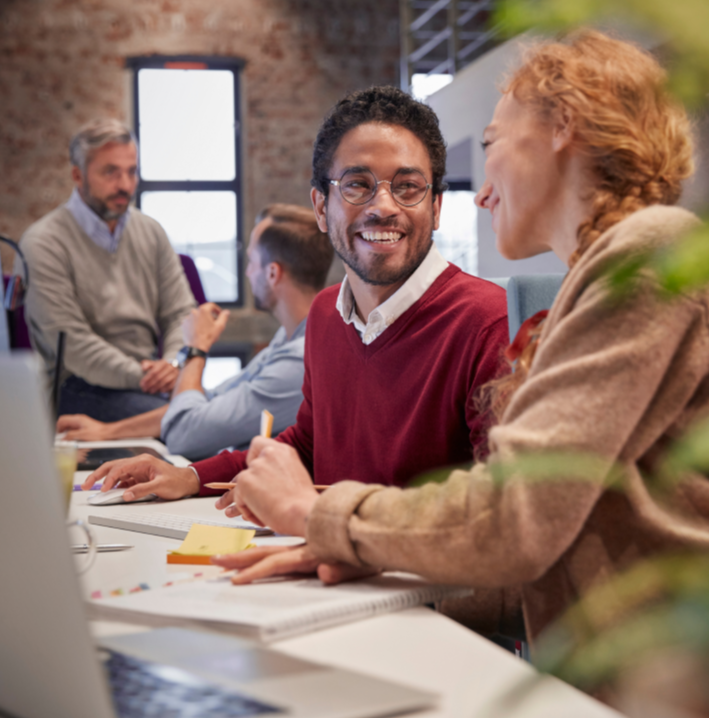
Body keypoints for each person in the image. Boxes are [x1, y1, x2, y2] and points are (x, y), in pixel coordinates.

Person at [202, 31, 709, 647]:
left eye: (493, 143)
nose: (479, 192)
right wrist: (361, 558)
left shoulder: (650, 256)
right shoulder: (600, 281)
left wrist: (317, 515)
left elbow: (515, 516)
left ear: (560, 127)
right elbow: (543, 552)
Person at [81, 86, 511, 500]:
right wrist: (192, 476)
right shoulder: (326, 315)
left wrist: (327, 530)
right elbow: (308, 444)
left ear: (435, 207)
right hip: (324, 563)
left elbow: (500, 508)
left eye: (408, 187)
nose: (384, 206)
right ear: (322, 207)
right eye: (357, 185)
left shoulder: (488, 323)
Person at [56, 204, 333, 460]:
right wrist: (107, 432)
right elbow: (210, 401)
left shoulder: (301, 360)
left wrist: (196, 349)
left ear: (273, 274)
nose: (247, 273)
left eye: (251, 261)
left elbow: (183, 435)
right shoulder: (290, 337)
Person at [21, 119, 196, 422]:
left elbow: (181, 313)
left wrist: (173, 364)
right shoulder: (43, 242)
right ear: (78, 175)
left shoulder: (151, 232)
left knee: (213, 417)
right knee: (188, 424)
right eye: (110, 172)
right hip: (76, 387)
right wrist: (147, 377)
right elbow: (73, 344)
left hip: (147, 382)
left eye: (132, 171)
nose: (125, 185)